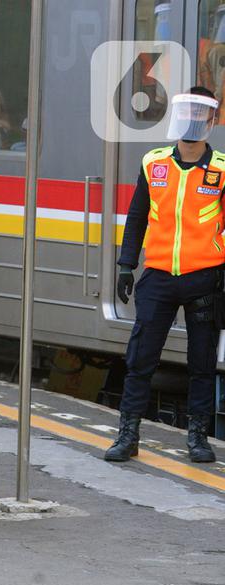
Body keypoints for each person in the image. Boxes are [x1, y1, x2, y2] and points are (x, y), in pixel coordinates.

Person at [106, 86, 225, 464]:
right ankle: (128, 435)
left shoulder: (222, 169)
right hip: (157, 276)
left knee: (202, 363)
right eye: (186, 113)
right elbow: (137, 216)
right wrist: (126, 265)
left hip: (204, 278)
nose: (191, 122)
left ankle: (197, 439)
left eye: (199, 115)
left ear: (210, 121)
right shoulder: (154, 163)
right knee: (141, 358)